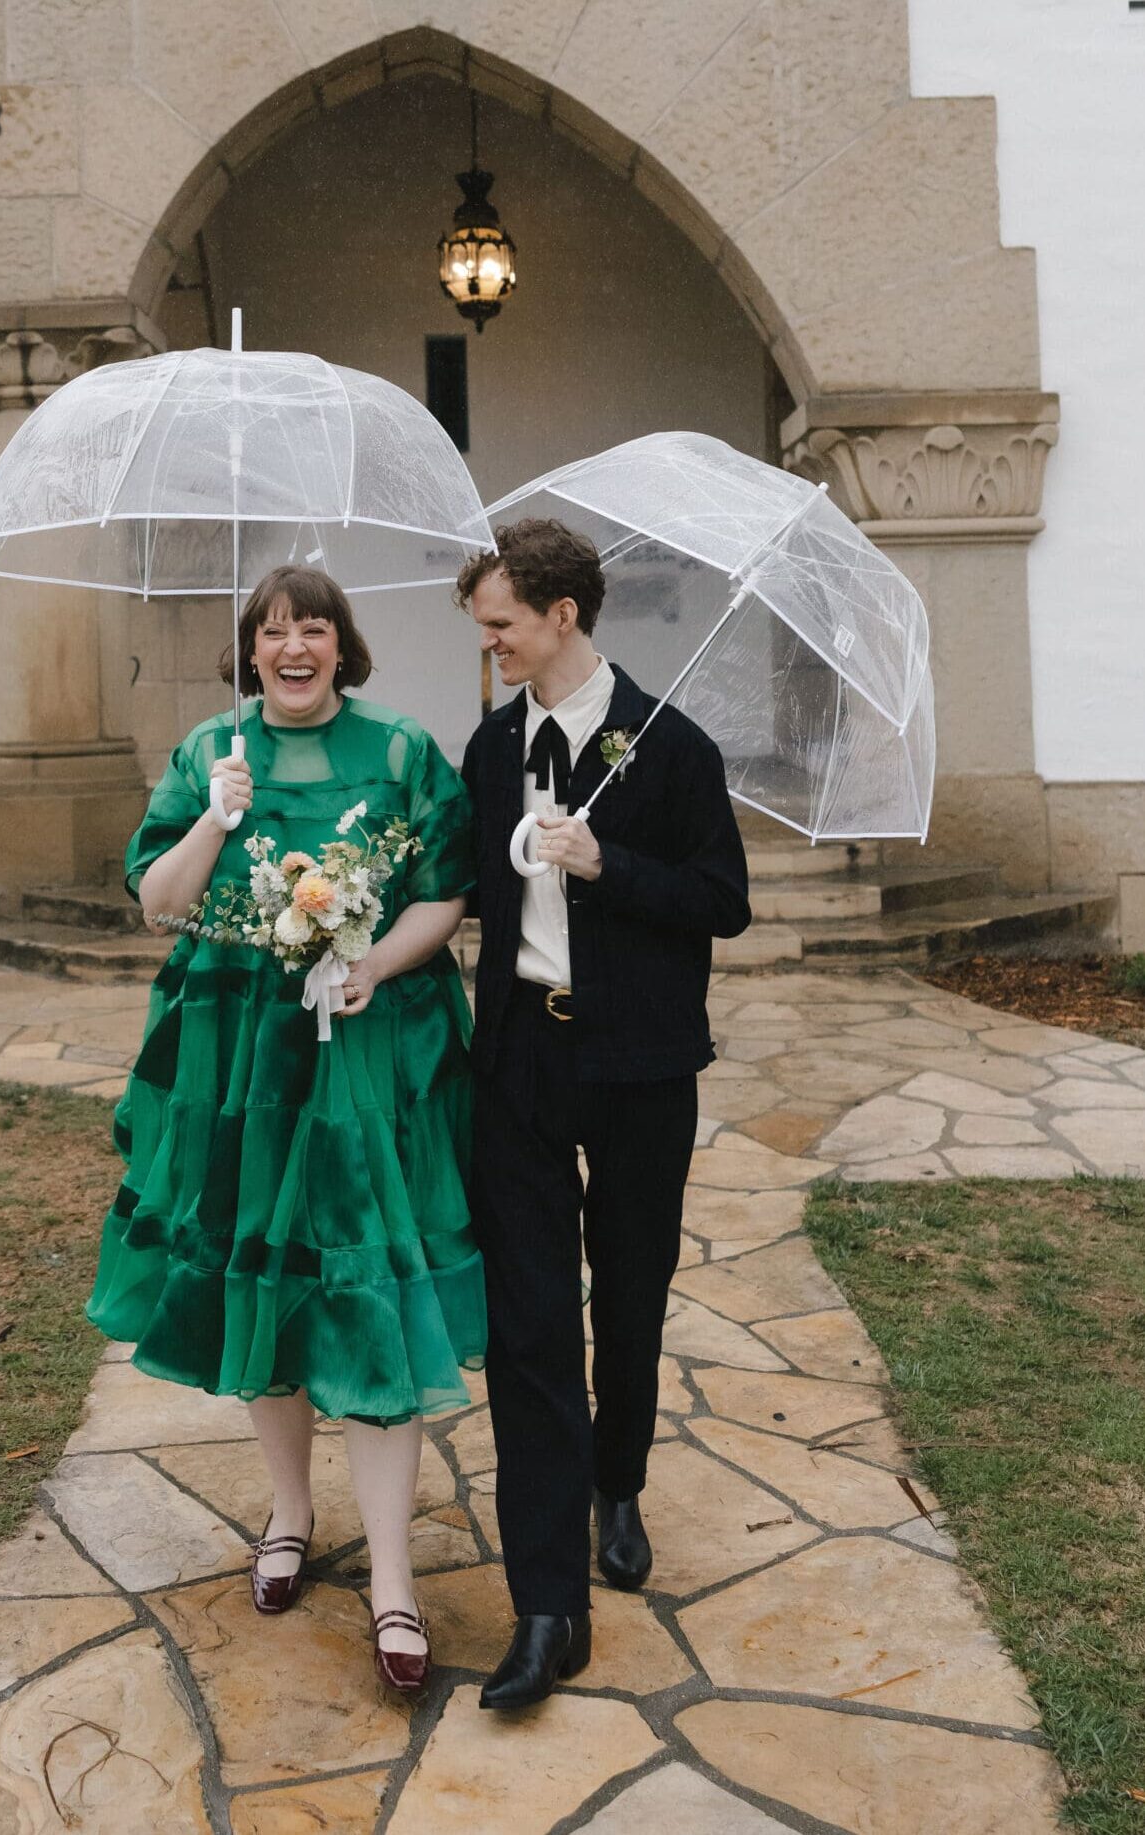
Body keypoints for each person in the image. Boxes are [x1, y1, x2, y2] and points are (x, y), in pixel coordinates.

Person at [86, 564, 484, 1695]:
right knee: (264, 1270)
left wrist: (370, 957)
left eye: (315, 624)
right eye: (273, 630)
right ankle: (292, 1513)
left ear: (341, 642)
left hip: (367, 1051)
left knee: (370, 1288)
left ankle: (396, 1578)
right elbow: (159, 902)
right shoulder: (210, 748)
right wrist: (216, 817)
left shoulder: (404, 748)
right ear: (250, 650)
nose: (294, 644)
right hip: (240, 1058)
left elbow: (446, 889)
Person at [457, 519, 751, 1710]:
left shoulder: (671, 748)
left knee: (628, 1291)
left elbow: (722, 901)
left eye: (501, 625)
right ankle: (546, 1605)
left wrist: (605, 866)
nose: (488, 646)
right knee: (528, 1323)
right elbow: (467, 885)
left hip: (639, 1066)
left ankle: (616, 1479)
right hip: (520, 1056)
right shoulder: (488, 748)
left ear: (562, 615)